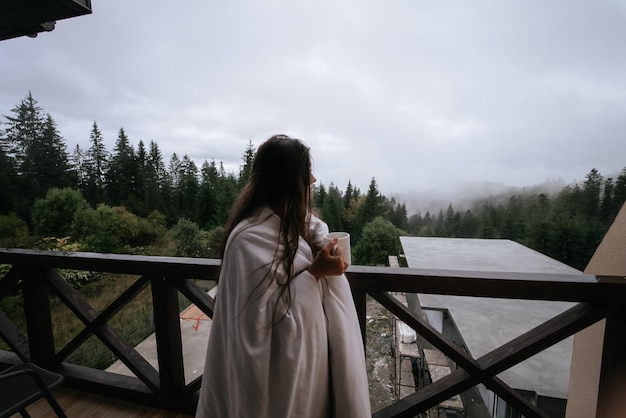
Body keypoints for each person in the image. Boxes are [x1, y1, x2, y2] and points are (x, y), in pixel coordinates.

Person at [195, 135, 371, 418]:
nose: (313, 180)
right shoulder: (247, 240)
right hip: (268, 389)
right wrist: (315, 272)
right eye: (306, 173)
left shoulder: (289, 223)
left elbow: (311, 226)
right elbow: (258, 330)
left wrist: (320, 243)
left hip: (303, 371)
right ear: (289, 181)